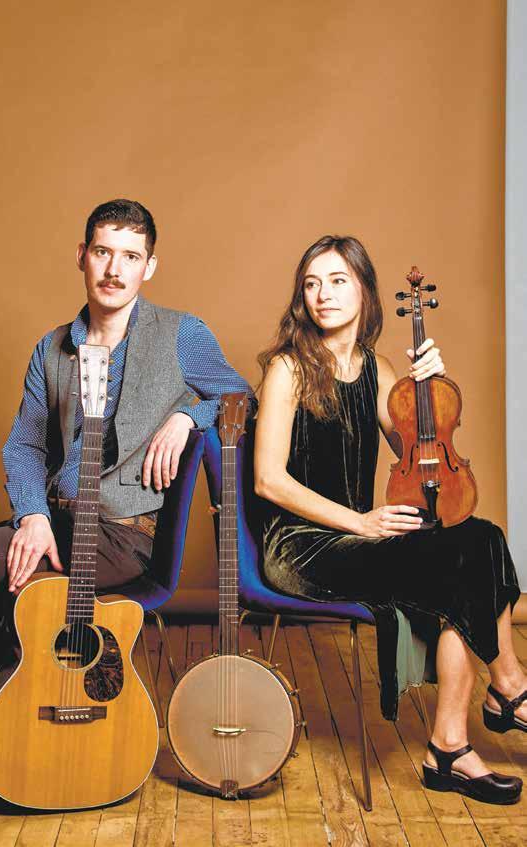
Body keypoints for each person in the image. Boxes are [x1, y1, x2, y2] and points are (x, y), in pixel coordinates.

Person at [0, 199, 252, 810]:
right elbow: (25, 444)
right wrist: (33, 516)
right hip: (62, 520)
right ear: (82, 256)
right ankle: (22, 680)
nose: (114, 269)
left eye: (131, 256)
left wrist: (187, 416)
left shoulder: (181, 333)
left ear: (149, 266)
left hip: (122, 535)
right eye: (103, 252)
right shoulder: (52, 348)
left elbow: (240, 396)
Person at [254, 235, 525, 805]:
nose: (323, 294)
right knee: (463, 556)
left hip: (362, 537)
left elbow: (421, 456)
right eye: (312, 283)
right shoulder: (287, 368)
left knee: (480, 536)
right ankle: (500, 697)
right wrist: (360, 523)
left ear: (365, 292)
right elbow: (268, 481)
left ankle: (456, 737)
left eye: (337, 281)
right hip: (302, 546)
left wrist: (426, 389)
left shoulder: (376, 370)